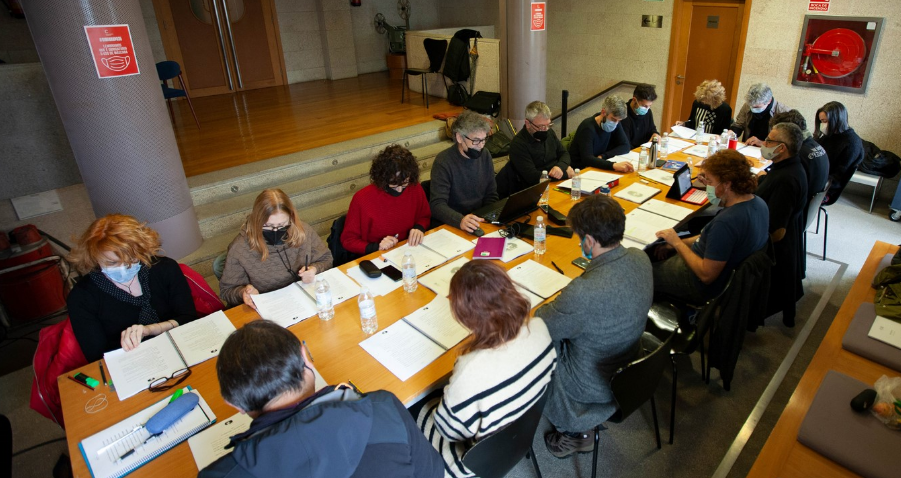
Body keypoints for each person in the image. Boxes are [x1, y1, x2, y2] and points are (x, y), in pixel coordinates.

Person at [198, 321, 443, 478]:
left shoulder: (217, 474)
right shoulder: (383, 407)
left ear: (234, 405)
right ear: (306, 358)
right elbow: (432, 473)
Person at [416, 261, 557, 477]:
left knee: (415, 409)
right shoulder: (539, 327)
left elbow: (448, 432)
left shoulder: (470, 370)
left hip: (475, 462)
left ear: (466, 316)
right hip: (522, 434)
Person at [539, 195, 652, 457]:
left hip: (591, 386)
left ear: (589, 241)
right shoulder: (640, 258)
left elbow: (542, 323)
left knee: (537, 341)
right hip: (629, 365)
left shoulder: (583, 292)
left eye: (580, 238)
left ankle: (574, 430)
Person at [67, 214, 197, 362]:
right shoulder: (82, 296)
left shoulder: (164, 268)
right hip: (129, 362)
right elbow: (97, 356)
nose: (124, 268)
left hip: (179, 348)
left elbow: (189, 317)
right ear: (94, 257)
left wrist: (152, 329)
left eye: (132, 259)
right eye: (112, 263)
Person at [653, 149, 769, 304]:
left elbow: (706, 276)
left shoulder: (726, 222)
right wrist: (674, 245)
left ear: (727, 184)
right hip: (715, 268)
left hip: (698, 284)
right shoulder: (759, 203)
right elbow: (708, 238)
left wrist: (677, 243)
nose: (707, 186)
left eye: (710, 182)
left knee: (640, 270)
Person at [219, 188, 333, 309]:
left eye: (282, 225)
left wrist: (314, 269)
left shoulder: (303, 231)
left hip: (306, 299)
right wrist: (243, 293)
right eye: (268, 226)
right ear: (257, 220)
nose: (275, 231)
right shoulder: (240, 248)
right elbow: (227, 291)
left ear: (291, 218)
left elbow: (326, 258)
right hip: (270, 306)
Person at [756, 123, 808, 327]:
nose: (764, 143)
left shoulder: (786, 180)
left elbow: (777, 232)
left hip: (771, 245)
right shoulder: (789, 167)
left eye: (769, 140)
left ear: (782, 148)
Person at [341, 144, 431, 256]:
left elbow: (424, 216)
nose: (399, 190)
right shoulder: (362, 199)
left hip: (408, 249)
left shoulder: (414, 187)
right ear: (383, 178)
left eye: (404, 183)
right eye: (394, 184)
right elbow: (348, 240)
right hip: (377, 255)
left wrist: (419, 228)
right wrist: (376, 247)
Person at [429, 110, 499, 234]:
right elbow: (437, 205)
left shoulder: (485, 155)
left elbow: (491, 194)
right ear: (459, 137)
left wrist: (488, 216)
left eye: (484, 140)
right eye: (476, 141)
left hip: (478, 221)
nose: (481, 146)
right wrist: (460, 220)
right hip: (453, 224)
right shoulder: (443, 162)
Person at [497, 101, 572, 196]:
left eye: (548, 125)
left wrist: (559, 167)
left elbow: (564, 153)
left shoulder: (549, 133)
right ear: (528, 124)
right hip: (532, 191)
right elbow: (533, 177)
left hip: (554, 184)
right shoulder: (518, 144)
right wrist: (565, 173)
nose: (545, 129)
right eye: (541, 126)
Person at [770, 110, 829, 201]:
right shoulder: (814, 144)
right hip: (811, 199)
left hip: (797, 202)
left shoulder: (796, 155)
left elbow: (781, 183)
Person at [814, 101, 865, 204]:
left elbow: (838, 176)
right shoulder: (829, 136)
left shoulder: (852, 143)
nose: (823, 125)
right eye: (821, 121)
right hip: (817, 179)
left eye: (825, 121)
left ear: (837, 120)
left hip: (826, 189)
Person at [568, 95, 634, 173]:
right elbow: (587, 159)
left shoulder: (615, 123)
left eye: (619, 120)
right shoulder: (587, 128)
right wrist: (613, 165)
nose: (616, 123)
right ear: (603, 112)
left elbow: (625, 146)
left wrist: (603, 156)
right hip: (580, 170)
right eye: (613, 119)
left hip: (597, 166)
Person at [620, 84, 660, 148]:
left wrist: (655, 134)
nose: (647, 109)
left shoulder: (648, 112)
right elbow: (625, 144)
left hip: (644, 149)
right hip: (631, 151)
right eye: (644, 106)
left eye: (649, 106)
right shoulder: (622, 114)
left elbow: (651, 129)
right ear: (634, 100)